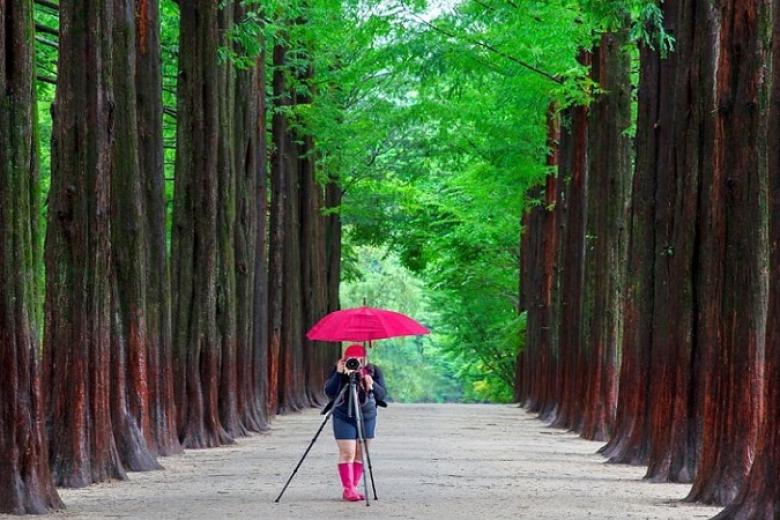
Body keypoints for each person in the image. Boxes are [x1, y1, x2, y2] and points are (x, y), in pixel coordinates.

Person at [323, 344, 387, 502]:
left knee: (360, 453)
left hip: (368, 415)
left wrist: (371, 384)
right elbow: (329, 392)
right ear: (345, 360)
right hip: (344, 414)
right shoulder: (340, 370)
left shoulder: (373, 371)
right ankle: (348, 488)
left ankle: (354, 487)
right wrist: (339, 374)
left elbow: (382, 395)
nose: (356, 363)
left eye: (360, 359)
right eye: (352, 360)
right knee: (348, 452)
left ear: (365, 360)